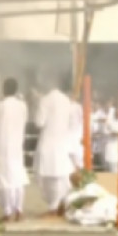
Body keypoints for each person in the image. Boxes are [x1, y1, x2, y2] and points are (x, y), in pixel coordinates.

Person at [35, 75, 82, 215]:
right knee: (61, 177)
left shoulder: (45, 100)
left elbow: (39, 122)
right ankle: (59, 205)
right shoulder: (66, 101)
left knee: (48, 178)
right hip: (62, 143)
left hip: (48, 143)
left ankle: (53, 208)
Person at [0, 78, 30, 221]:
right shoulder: (22, 106)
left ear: (4, 89)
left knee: (4, 178)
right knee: (17, 176)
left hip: (1, 145)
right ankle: (19, 209)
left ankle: (7, 211)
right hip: (16, 144)